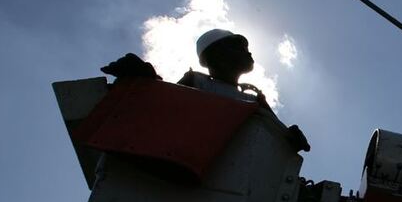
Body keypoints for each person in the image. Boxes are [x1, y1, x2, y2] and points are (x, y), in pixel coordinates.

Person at [100, 29, 309, 151]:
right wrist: (147, 82)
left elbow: (274, 137)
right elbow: (164, 114)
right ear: (213, 56)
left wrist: (290, 139)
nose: (248, 52)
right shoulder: (196, 83)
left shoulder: (254, 99)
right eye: (236, 46)